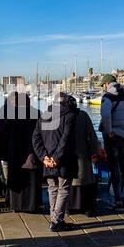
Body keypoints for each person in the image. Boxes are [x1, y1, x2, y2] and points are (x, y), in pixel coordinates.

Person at [33, 92, 77, 231]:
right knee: (63, 189)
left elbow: (35, 138)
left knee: (52, 189)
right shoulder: (70, 115)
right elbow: (65, 140)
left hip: (48, 161)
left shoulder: (43, 116)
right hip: (63, 159)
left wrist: (44, 157)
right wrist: (55, 159)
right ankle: (57, 221)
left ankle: (55, 219)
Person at [0, 92, 42, 212]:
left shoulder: (12, 114)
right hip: (32, 150)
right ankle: (32, 204)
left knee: (16, 176)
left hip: (15, 150)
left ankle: (16, 204)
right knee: (32, 178)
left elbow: (4, 130)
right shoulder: (37, 113)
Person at [99, 74, 124, 211]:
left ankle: (118, 202)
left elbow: (105, 115)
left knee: (114, 169)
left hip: (112, 136)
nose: (103, 87)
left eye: (103, 85)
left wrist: (108, 130)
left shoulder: (108, 97)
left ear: (107, 84)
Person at [69, 96, 100, 217]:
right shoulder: (83, 115)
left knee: (70, 181)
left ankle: (71, 207)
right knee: (85, 180)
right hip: (83, 153)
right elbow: (92, 135)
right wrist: (94, 152)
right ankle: (87, 208)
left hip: (67, 154)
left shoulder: (60, 116)